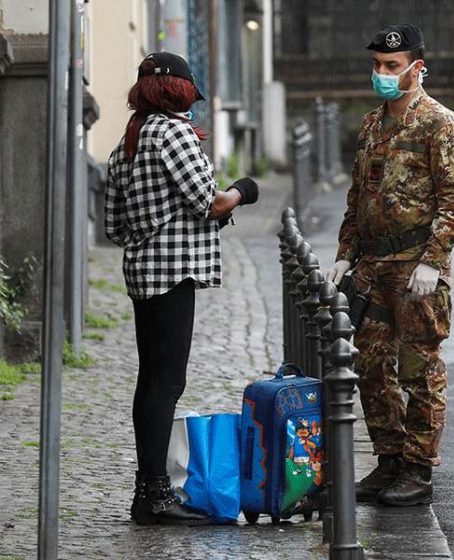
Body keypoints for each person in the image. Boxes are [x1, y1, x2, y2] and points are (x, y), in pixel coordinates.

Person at [104, 52, 259, 525]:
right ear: (179, 90)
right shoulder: (172, 132)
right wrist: (242, 191)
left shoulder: (127, 139)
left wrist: (150, 226)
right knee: (167, 382)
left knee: (151, 380)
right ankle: (154, 496)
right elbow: (208, 202)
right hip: (172, 271)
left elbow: (113, 224)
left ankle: (146, 490)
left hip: (142, 271)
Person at [325, 24, 454, 507]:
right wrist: (345, 253)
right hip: (373, 265)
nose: (383, 74)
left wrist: (433, 261)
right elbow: (358, 198)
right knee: (369, 366)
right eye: (377, 66)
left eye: (392, 66)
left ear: (417, 68)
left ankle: (418, 468)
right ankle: (387, 460)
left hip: (415, 267)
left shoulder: (440, 124)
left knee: (419, 369)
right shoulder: (371, 125)